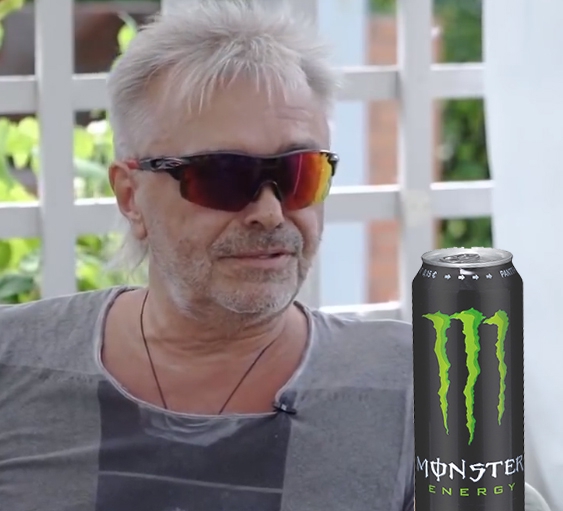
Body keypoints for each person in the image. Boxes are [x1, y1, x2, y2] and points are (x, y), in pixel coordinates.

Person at [0, 1, 548, 511]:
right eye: (222, 174)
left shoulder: (425, 385)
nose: (269, 211)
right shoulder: (16, 364)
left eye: (299, 172)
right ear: (130, 196)